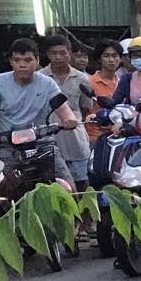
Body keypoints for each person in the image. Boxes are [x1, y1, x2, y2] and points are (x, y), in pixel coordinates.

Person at [0, 36, 80, 177]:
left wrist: (69, 119)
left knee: (67, 186)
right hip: (5, 146)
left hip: (41, 143)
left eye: (28, 60)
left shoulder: (47, 83)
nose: (22, 65)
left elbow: (62, 108)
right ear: (11, 62)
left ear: (37, 61)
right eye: (17, 60)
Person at [39, 36, 96, 191]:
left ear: (69, 53)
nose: (58, 57)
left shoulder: (81, 78)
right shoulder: (39, 78)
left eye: (62, 53)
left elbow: (85, 108)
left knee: (81, 183)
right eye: (54, 53)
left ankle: (85, 215)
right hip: (48, 137)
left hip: (74, 139)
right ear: (47, 55)